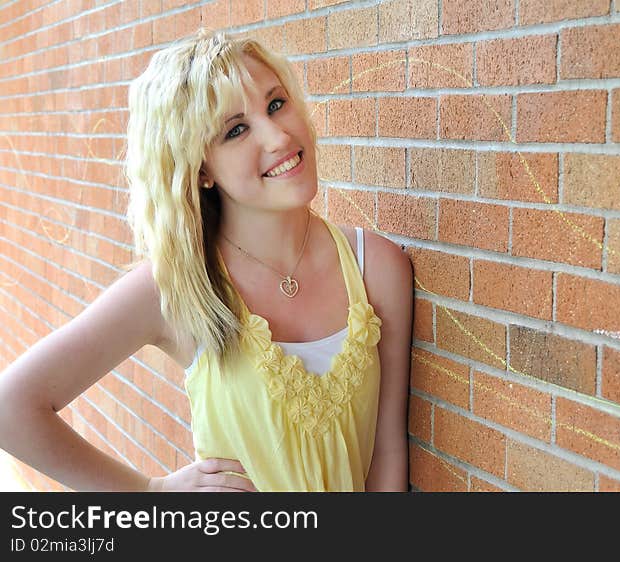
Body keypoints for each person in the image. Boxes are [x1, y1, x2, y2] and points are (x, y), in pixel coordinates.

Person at [0, 28, 413, 492]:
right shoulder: (177, 288)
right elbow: (12, 407)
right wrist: (152, 493)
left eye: (276, 104)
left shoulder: (376, 268)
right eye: (236, 130)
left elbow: (387, 452)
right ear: (200, 169)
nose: (278, 136)